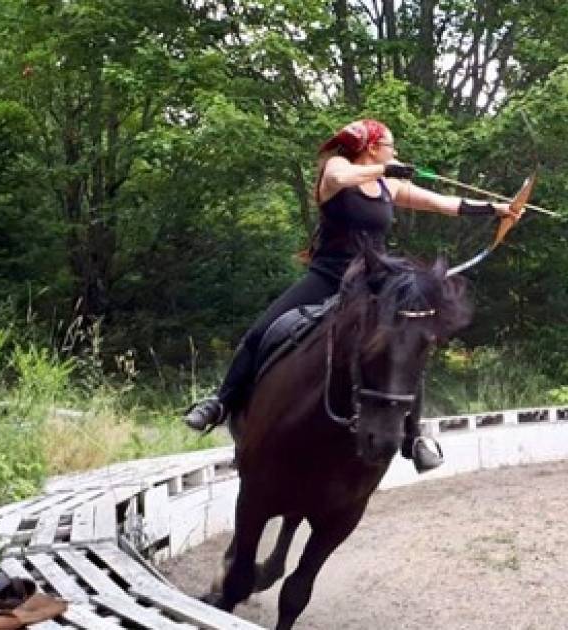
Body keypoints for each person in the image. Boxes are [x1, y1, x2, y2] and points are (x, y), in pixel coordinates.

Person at [184, 119, 521, 472]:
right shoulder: (338, 167)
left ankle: (414, 437)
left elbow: (444, 204)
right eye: (390, 146)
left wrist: (498, 210)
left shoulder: (388, 185)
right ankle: (220, 403)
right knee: (261, 332)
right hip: (328, 276)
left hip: (373, 283)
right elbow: (339, 180)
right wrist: (385, 168)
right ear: (372, 147)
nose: (395, 152)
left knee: (405, 345)